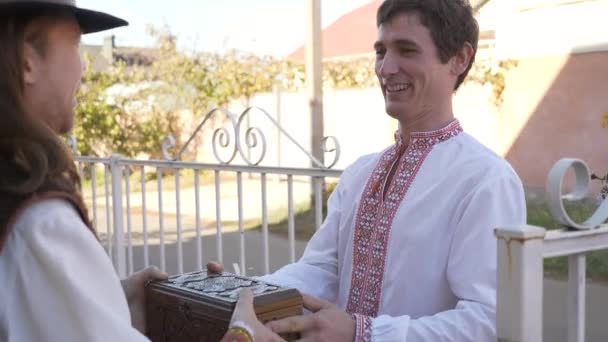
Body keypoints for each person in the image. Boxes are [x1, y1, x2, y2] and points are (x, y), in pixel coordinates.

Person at [223, 1, 527, 341]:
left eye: (407, 50)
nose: (386, 67)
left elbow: (488, 318)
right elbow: (321, 270)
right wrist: (237, 294)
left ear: (460, 57)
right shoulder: (361, 173)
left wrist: (364, 333)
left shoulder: (485, 179)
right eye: (381, 51)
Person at [0, 1, 283, 341]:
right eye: (75, 46)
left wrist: (110, 303)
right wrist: (243, 335)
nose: (83, 69)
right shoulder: (41, 224)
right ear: (27, 61)